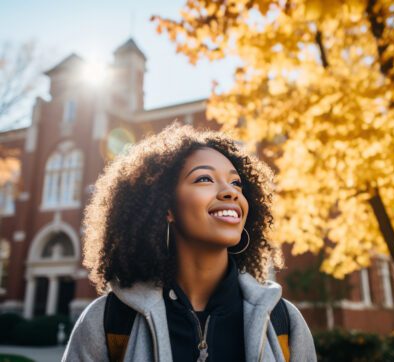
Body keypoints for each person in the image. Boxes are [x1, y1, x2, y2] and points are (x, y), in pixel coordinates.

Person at [62, 125, 316, 361]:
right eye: (204, 179)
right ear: (166, 207)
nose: (231, 192)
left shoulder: (284, 321)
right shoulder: (108, 321)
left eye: (236, 182)